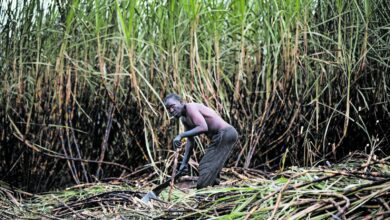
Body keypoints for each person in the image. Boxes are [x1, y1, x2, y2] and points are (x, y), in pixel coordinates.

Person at [163, 93, 238, 189]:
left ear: (181, 102)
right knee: (213, 167)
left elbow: (203, 127)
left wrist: (181, 135)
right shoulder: (184, 119)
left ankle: (202, 192)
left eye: (172, 106)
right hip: (220, 137)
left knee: (205, 165)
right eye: (168, 109)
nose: (171, 111)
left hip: (226, 133)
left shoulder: (191, 108)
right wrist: (184, 163)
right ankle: (212, 192)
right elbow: (190, 142)